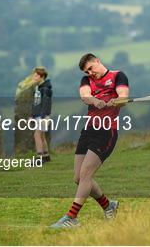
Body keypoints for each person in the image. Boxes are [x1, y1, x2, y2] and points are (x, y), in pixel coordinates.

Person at [50, 53, 129, 228]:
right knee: (79, 178)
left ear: (97, 61)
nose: (90, 72)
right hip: (88, 130)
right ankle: (109, 206)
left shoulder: (117, 76)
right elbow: (85, 96)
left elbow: (123, 96)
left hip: (106, 132)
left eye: (91, 68)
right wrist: (96, 100)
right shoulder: (87, 81)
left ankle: (72, 217)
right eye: (87, 71)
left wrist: (117, 101)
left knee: (86, 174)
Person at [31, 67, 53, 163]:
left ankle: (39, 158)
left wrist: (44, 116)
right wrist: (32, 115)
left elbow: (46, 103)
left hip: (42, 116)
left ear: (42, 76)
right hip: (38, 115)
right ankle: (46, 156)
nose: (34, 77)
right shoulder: (38, 87)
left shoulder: (45, 89)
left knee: (37, 135)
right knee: (42, 135)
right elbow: (36, 103)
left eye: (36, 75)